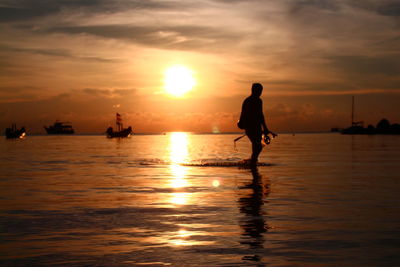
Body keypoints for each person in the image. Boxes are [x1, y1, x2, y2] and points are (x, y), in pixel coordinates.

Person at [238, 83, 277, 165]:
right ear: (253, 90)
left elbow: (260, 115)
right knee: (257, 145)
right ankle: (252, 162)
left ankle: (252, 162)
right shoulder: (248, 101)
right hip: (249, 126)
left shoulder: (259, 101)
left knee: (257, 147)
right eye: (259, 91)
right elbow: (243, 114)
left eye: (261, 91)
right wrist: (242, 124)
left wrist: (265, 128)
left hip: (257, 127)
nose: (260, 93)